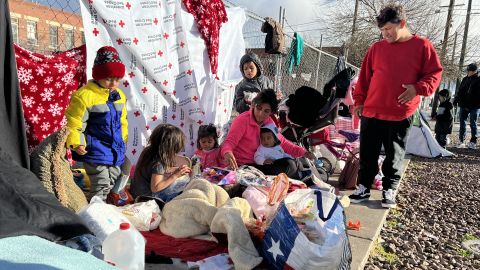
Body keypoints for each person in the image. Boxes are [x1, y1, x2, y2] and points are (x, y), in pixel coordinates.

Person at [349, 4, 443, 208]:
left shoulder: (422, 46)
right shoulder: (377, 48)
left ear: (402, 24)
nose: (385, 34)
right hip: (372, 109)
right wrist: (359, 101)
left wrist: (417, 88)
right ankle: (363, 186)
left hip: (400, 112)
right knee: (368, 152)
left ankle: (389, 189)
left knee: (395, 153)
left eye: (389, 29)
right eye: (382, 30)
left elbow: (434, 74)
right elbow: (364, 77)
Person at [65, 46, 128, 201]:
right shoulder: (85, 96)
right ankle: (95, 215)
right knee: (101, 183)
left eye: (117, 80)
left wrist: (123, 139)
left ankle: (104, 209)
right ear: (98, 76)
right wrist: (77, 141)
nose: (113, 83)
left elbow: (122, 121)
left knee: (113, 177)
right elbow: (75, 121)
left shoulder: (119, 95)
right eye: (108, 79)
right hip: (95, 149)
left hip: (114, 148)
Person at [222, 89, 315, 179]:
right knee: (289, 165)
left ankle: (298, 174)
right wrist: (227, 152)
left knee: (296, 161)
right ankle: (297, 175)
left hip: (265, 164)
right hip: (245, 167)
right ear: (253, 104)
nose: (261, 113)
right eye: (259, 108)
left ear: (271, 112)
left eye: (266, 111)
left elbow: (282, 142)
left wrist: (304, 152)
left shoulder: (269, 122)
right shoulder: (242, 120)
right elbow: (229, 142)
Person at [129, 124, 191, 202]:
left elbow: (154, 171)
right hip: (146, 198)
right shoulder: (158, 162)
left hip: (135, 191)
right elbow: (155, 188)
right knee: (182, 187)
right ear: (171, 146)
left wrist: (176, 170)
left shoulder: (148, 150)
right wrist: (175, 175)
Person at [453, 63, 480, 149]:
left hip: (475, 106)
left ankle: (473, 141)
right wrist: (456, 99)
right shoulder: (465, 79)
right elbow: (460, 90)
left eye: (469, 71)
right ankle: (461, 140)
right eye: (467, 71)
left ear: (474, 71)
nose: (467, 72)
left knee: (473, 123)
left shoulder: (479, 80)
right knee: (462, 122)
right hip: (463, 104)